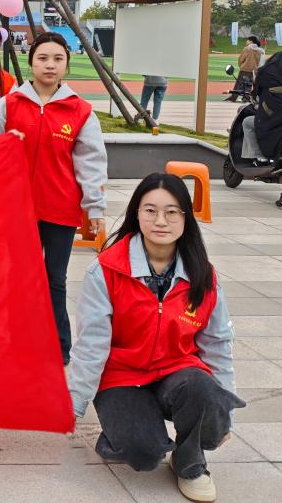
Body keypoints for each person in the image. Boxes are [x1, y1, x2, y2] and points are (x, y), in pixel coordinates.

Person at [68, 173, 243, 503]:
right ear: (136, 213)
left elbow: (217, 345)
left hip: (178, 373)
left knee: (206, 395)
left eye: (172, 212)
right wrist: (74, 404)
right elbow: (92, 346)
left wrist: (224, 415)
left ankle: (190, 464)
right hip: (122, 377)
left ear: (186, 218)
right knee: (144, 453)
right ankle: (121, 434)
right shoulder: (106, 270)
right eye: (150, 210)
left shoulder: (203, 276)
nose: (161, 221)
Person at [0, 31, 107, 365]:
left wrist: (95, 207)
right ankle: (13, 340)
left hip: (59, 210)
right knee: (16, 278)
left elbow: (91, 163)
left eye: (57, 59)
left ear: (66, 64)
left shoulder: (80, 111)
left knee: (55, 280)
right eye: (42, 58)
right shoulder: (8, 105)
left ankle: (58, 347)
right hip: (15, 210)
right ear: (31, 63)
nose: (50, 65)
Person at [244, 50, 282, 169]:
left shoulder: (266, 75)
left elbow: (257, 93)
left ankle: (260, 158)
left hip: (274, 121)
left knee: (247, 122)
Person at [228, 36, 264, 100]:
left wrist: (241, 66)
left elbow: (241, 59)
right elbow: (260, 61)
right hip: (254, 70)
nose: (246, 41)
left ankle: (233, 97)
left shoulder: (247, 49)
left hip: (245, 69)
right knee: (249, 85)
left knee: (239, 84)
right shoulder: (259, 50)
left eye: (247, 40)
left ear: (251, 41)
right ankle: (246, 98)